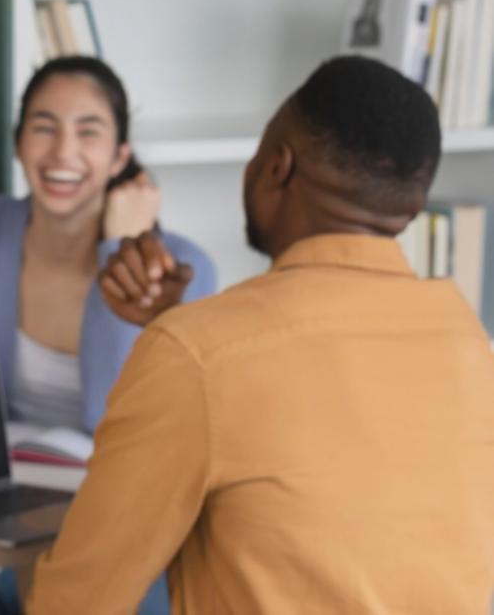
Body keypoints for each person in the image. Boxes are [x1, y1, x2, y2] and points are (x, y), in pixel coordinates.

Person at [28, 56, 494, 613]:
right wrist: (178, 330)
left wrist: (181, 342)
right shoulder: (465, 339)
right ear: (412, 208)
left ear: (276, 166)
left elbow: (78, 601)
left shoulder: (200, 356)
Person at [0, 55, 216, 614]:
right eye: (43, 127)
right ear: (18, 144)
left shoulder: (183, 269)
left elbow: (117, 419)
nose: (62, 152)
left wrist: (119, 253)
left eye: (89, 131)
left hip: (123, 524)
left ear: (120, 159)